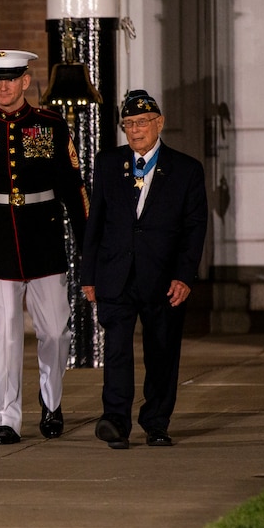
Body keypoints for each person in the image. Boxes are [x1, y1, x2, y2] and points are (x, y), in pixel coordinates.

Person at [0, 49, 90, 445]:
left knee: (56, 332)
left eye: (11, 78)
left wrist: (88, 250)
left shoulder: (50, 124)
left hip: (44, 238)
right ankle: (5, 419)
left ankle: (52, 400)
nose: (3, 86)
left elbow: (73, 189)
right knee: (5, 334)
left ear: (26, 81)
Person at [80, 90, 207, 449]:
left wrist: (185, 275)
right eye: (128, 124)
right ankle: (115, 422)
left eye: (141, 123)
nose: (135, 131)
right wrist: (89, 275)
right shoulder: (108, 163)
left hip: (164, 278)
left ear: (159, 123)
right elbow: (96, 223)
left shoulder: (186, 170)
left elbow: (195, 227)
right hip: (116, 274)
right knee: (117, 351)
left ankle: (156, 422)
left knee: (162, 352)